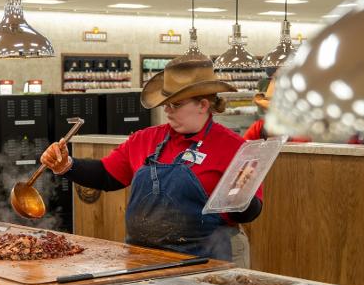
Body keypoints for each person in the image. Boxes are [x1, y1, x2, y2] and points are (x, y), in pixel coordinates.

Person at [41, 57, 262, 267]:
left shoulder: (235, 147)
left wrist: (241, 196)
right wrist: (68, 166)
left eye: (175, 104)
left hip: (211, 258)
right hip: (146, 257)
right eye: (165, 103)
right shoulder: (145, 139)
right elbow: (107, 175)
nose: (166, 110)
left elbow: (248, 214)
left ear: (203, 105)